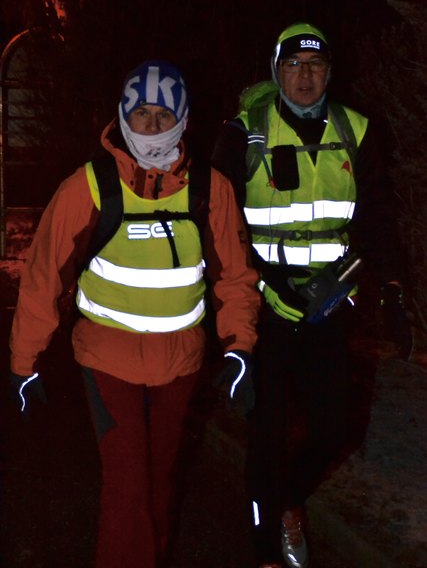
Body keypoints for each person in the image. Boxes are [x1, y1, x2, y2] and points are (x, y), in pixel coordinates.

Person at [9, 60, 261, 568]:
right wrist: (24, 361)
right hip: (107, 361)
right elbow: (43, 276)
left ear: (183, 119)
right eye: (141, 113)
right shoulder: (90, 186)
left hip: (180, 362)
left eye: (163, 115)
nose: (151, 126)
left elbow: (235, 275)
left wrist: (240, 346)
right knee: (128, 488)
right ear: (122, 116)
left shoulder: (210, 189)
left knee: (159, 483)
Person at [213, 23, 411, 568]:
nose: (305, 76)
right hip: (263, 307)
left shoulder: (357, 131)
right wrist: (253, 284)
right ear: (277, 71)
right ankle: (265, 553)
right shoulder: (244, 133)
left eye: (316, 66)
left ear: (330, 73)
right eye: (294, 65)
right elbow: (218, 222)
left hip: (328, 307)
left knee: (334, 430)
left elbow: (377, 217)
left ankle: (288, 502)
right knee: (267, 434)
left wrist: (391, 291)